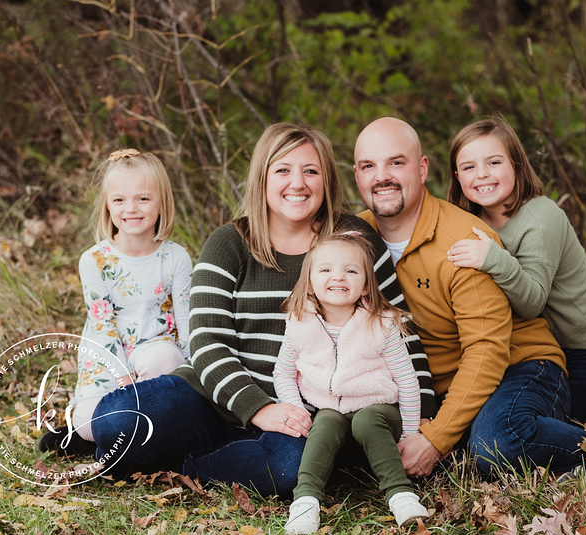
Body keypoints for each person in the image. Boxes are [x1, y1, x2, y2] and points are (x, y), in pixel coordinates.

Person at [88, 123, 434, 494]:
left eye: (310, 171)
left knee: (289, 468)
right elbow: (207, 344)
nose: (297, 183)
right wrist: (257, 410)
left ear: (327, 179)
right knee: (115, 421)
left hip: (305, 415)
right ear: (262, 178)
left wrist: (426, 424)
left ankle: (186, 466)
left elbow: (400, 332)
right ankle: (194, 446)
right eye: (282, 170)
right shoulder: (230, 243)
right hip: (216, 399)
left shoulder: (355, 243)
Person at [352, 117, 586, 477]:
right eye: (369, 166)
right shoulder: (353, 239)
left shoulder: (468, 240)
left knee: (496, 444)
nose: (382, 176)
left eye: (396, 162)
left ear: (423, 169)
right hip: (449, 380)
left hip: (535, 359)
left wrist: (437, 437)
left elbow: (488, 348)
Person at [446, 117, 586, 434]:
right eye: (468, 167)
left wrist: (494, 259)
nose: (482, 174)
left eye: (494, 162)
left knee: (582, 430)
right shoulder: (473, 221)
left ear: (517, 165)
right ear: (456, 177)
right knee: (559, 421)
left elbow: (532, 301)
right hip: (550, 347)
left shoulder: (541, 215)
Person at [274, 232, 428, 535]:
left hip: (380, 414)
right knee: (327, 420)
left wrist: (410, 433)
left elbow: (408, 381)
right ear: (310, 280)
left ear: (366, 284)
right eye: (326, 269)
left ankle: (402, 496)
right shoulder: (299, 324)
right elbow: (283, 372)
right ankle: (305, 502)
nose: (338, 277)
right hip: (331, 413)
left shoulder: (380, 323)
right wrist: (295, 408)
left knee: (369, 418)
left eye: (351, 270)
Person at [40, 148, 191, 454]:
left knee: (166, 358)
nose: (131, 209)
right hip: (108, 358)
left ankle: (133, 437)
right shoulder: (95, 260)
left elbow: (187, 318)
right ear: (108, 206)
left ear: (162, 202)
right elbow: (102, 324)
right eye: (119, 200)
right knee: (87, 421)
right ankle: (100, 433)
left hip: (154, 355)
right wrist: (123, 378)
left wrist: (193, 374)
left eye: (143, 199)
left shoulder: (175, 257)